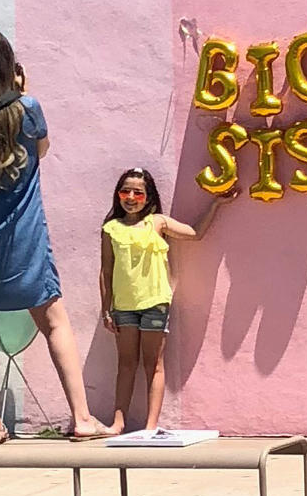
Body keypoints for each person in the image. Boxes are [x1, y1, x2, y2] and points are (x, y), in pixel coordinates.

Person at [0, 24, 112, 445]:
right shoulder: (28, 109)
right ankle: (82, 418)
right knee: (54, 322)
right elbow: (42, 151)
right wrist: (21, 91)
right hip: (22, 237)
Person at [100, 168, 236, 434]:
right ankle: (118, 422)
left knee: (154, 364)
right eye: (125, 191)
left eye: (137, 193)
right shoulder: (111, 229)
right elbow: (106, 270)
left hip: (155, 302)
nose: (130, 197)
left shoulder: (158, 222)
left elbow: (195, 233)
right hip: (124, 307)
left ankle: (151, 425)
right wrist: (106, 309)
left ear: (148, 197)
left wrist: (216, 204)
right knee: (126, 363)